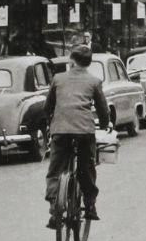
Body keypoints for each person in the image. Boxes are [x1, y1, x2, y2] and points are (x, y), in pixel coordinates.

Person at [42, 46, 113, 229]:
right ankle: (90, 205)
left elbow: (48, 106)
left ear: (71, 62)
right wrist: (106, 124)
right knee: (86, 167)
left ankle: (54, 210)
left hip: (61, 131)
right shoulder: (94, 81)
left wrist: (52, 121)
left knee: (55, 170)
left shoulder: (58, 79)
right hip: (84, 131)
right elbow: (103, 109)